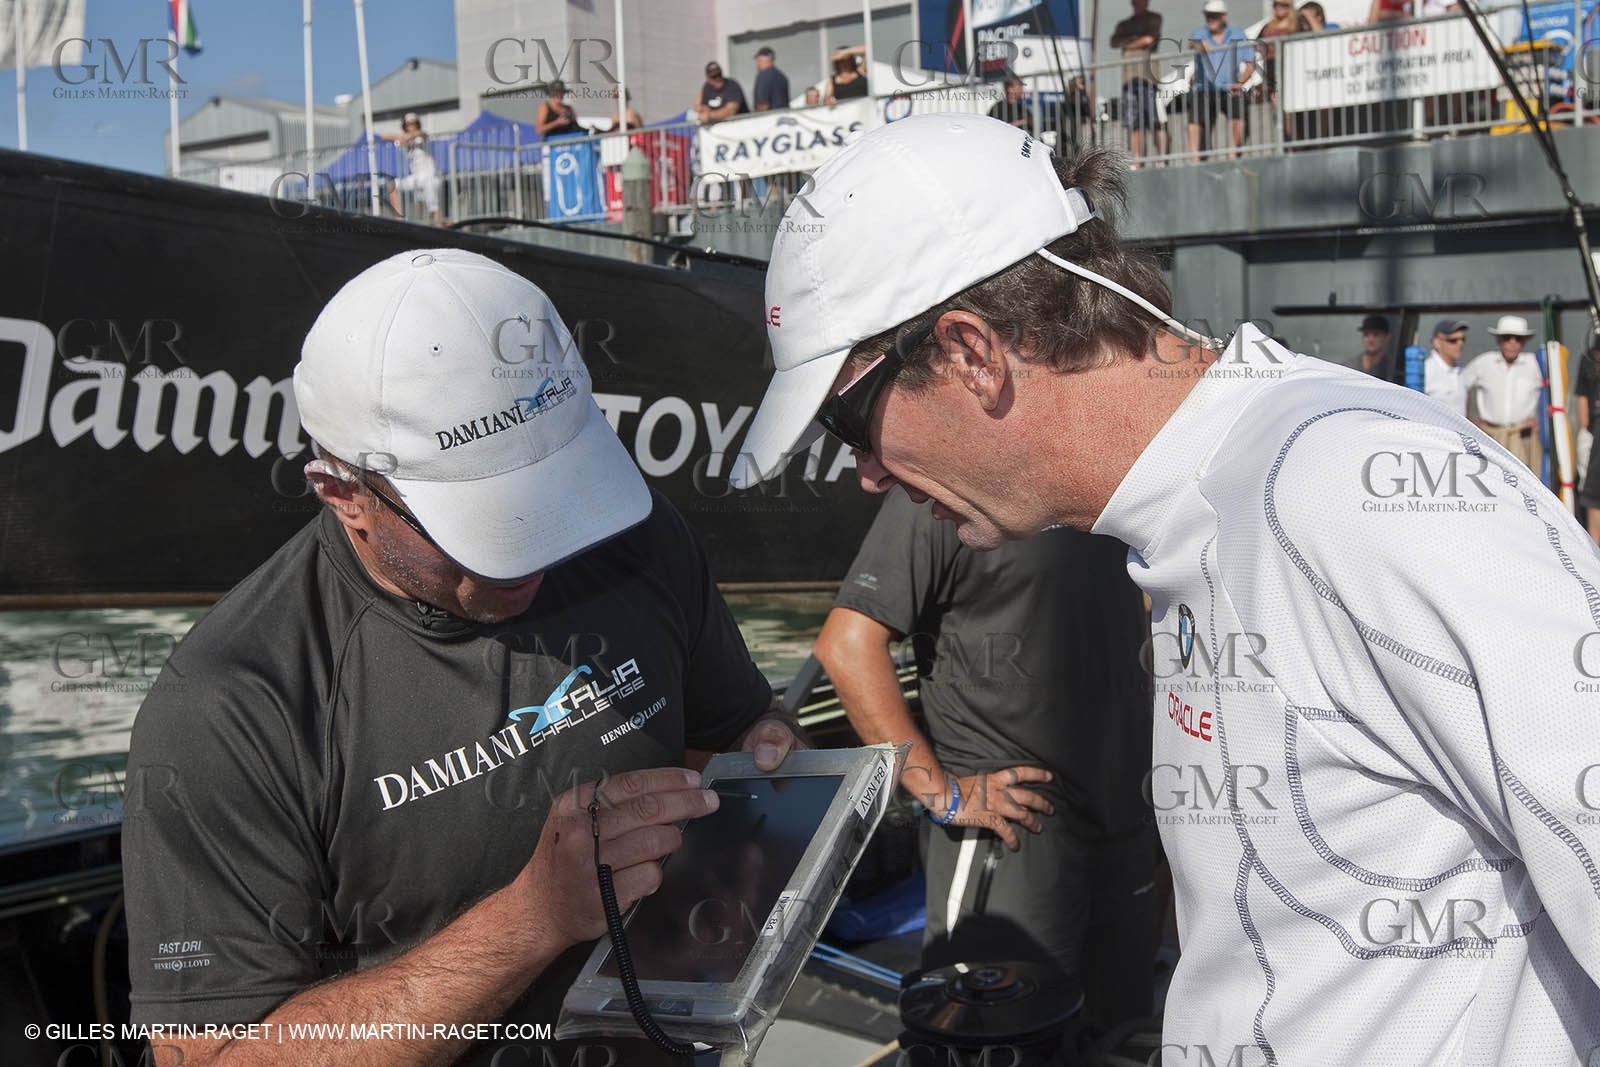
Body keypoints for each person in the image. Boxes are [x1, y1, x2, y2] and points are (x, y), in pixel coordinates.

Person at [731, 114, 1600, 1065]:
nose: (863, 472)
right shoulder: (1216, 502)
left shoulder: (1346, 486)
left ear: (973, 352)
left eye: (850, 422)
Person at [122, 249, 807, 1067]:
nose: (531, 553)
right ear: (344, 493)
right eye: (482, 522)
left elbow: (727, 737)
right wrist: (531, 919)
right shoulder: (233, 706)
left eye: (553, 492)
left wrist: (772, 762)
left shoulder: (637, 541)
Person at [813, 488, 1155, 1027]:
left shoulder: (1103, 485)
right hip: (1015, 831)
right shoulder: (941, 491)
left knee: (1114, 1034)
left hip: (1128, 824)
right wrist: (939, 793)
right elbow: (846, 647)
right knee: (990, 1042)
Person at [1464, 313, 1545, 475]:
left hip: (1523, 438)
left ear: (1524, 341)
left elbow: (1552, 394)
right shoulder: (1483, 363)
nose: (1512, 343)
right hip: (1490, 436)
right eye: (1507, 338)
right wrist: (1467, 419)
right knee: (1489, 483)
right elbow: (1460, 387)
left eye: (1518, 338)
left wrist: (1542, 421)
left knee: (1524, 484)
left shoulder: (1535, 364)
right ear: (1498, 340)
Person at [1187, 0, 1254, 158]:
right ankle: (1194, 157)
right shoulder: (1199, 33)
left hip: (1230, 88)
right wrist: (1199, 46)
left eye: (1214, 16)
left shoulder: (1238, 34)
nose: (1210, 19)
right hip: (1204, 88)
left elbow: (1251, 64)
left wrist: (1240, 82)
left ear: (1223, 17)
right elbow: (1191, 44)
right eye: (1208, 15)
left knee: (1238, 112)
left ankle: (1233, 153)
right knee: (1195, 119)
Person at [1111, 0, 1168, 163]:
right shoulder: (1124, 24)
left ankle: (1162, 160)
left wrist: (1128, 42)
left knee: (1156, 120)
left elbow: (1149, 39)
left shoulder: (1154, 18)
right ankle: (1137, 160)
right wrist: (1137, 40)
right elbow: (1114, 42)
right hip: (1129, 78)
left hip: (1149, 78)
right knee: (1134, 123)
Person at [382, 113, 442, 226]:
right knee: (392, 185)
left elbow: (422, 134)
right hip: (417, 177)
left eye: (414, 123)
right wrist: (402, 137)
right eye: (408, 124)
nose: (411, 126)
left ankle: (439, 227)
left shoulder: (422, 136)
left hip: (430, 177)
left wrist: (406, 137)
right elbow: (384, 137)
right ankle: (398, 220)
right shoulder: (405, 139)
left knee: (433, 207)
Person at [1576, 341, 1600, 544]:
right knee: (1593, 492)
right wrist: (1586, 431)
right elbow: (1582, 397)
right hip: (1595, 435)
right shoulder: (1589, 358)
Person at [1423, 317, 1469, 416]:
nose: (1460, 344)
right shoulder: (1426, 370)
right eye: (1453, 340)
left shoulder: (1461, 370)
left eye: (1463, 339)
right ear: (1437, 342)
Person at [752, 46, 791, 112]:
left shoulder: (763, 75)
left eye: (759, 60)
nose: (757, 64)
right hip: (784, 116)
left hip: (769, 119)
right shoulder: (782, 77)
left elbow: (762, 105)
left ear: (769, 58)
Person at [1357, 313, 1392, 378]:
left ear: (1387, 337)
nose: (1370, 340)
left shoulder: (1393, 369)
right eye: (1366, 335)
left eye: (1376, 335)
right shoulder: (1349, 366)